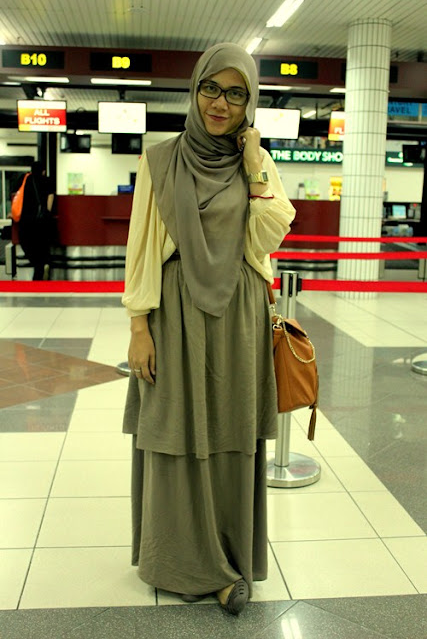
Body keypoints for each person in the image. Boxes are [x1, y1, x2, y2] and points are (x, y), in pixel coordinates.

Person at [122, 42, 296, 616]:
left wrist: (254, 164)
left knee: (230, 433)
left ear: (250, 103)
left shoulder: (257, 162)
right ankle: (177, 560)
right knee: (174, 431)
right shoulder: (159, 159)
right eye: (211, 89)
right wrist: (139, 325)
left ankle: (228, 560)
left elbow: (268, 235)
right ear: (195, 90)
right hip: (174, 311)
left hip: (239, 315)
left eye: (236, 93)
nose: (220, 103)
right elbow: (141, 245)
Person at [17, 161, 55, 280]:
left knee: (28, 247)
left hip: (26, 222)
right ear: (43, 171)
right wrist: (47, 212)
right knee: (42, 247)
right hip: (41, 222)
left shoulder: (24, 180)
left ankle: (39, 269)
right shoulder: (47, 181)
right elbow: (50, 197)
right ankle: (44, 266)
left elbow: (17, 196)